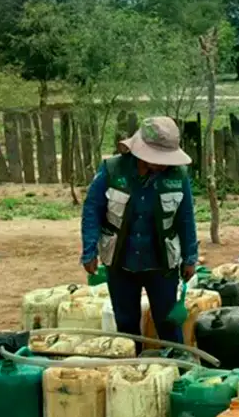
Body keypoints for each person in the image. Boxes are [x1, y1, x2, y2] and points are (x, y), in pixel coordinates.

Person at [81, 116, 198, 348]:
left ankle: (174, 366)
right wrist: (89, 250)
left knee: (167, 322)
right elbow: (92, 210)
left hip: (161, 264)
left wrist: (190, 257)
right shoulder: (112, 170)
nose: (164, 163)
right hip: (120, 261)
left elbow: (186, 217)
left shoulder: (178, 177)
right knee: (126, 323)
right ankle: (130, 370)